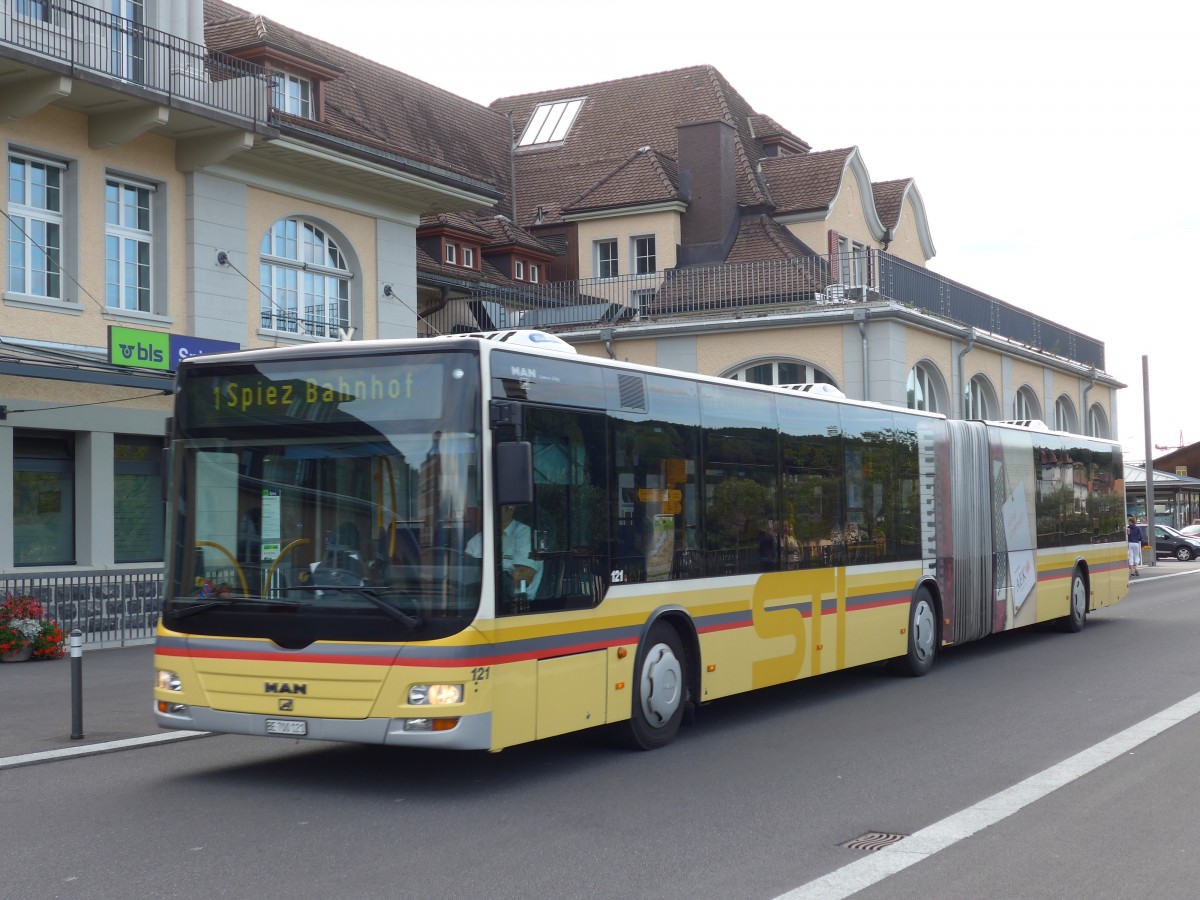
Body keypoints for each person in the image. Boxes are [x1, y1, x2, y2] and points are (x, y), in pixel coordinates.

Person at [466, 505, 543, 608]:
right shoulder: (476, 540)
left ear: (510, 508)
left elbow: (524, 578)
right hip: (476, 605)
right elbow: (463, 575)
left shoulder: (524, 534)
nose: (490, 510)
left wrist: (477, 583)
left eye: (495, 506)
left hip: (517, 607)